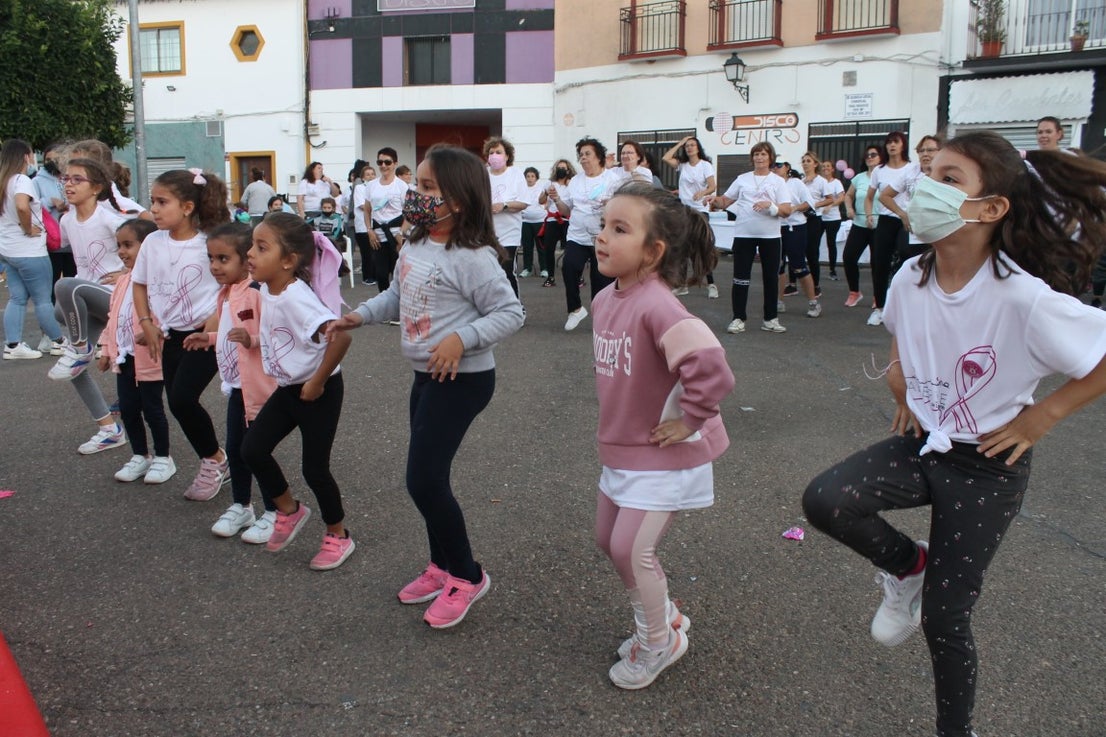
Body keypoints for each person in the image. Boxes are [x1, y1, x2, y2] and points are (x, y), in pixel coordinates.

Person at [802, 131, 1106, 737]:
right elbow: (900, 331)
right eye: (927, 172)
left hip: (987, 467)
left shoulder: (1024, 298)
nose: (924, 187)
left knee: (945, 621)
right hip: (927, 444)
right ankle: (907, 567)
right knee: (826, 499)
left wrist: (1041, 417)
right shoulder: (912, 273)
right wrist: (901, 383)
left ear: (990, 209)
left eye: (949, 178)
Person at [327, 144, 524, 626]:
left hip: (462, 381)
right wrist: (359, 314)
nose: (417, 194)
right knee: (429, 478)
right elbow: (397, 295)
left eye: (429, 188)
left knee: (423, 478)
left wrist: (462, 338)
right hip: (425, 376)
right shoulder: (414, 242)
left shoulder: (474, 256)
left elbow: (512, 312)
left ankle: (467, 574)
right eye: (417, 184)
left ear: (459, 198)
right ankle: (440, 566)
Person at [590, 182, 735, 689]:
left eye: (619, 229)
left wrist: (691, 419)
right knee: (608, 541)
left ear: (654, 252)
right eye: (603, 224)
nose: (603, 236)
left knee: (633, 549)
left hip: (666, 455)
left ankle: (658, 642)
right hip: (625, 450)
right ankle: (664, 614)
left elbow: (711, 369)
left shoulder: (659, 305)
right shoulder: (608, 297)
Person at [238, 213, 354, 569]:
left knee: (315, 469)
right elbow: (284, 337)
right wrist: (255, 340)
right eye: (251, 246)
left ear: (288, 261)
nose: (250, 254)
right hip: (289, 390)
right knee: (252, 449)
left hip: (320, 391)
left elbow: (341, 336)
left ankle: (338, 534)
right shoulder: (266, 291)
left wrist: (317, 381)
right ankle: (289, 510)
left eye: (261, 247)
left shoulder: (295, 297)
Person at [131, 168, 232, 501]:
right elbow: (140, 284)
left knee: (182, 398)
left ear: (187, 207)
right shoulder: (152, 242)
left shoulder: (211, 241)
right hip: (170, 336)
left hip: (205, 334)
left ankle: (215, 460)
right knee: (178, 404)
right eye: (152, 201)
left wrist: (217, 320)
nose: (154, 209)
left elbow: (235, 284)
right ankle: (216, 458)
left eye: (163, 202)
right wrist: (146, 321)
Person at [183, 222, 280, 543]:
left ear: (246, 259)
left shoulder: (255, 292)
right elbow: (229, 333)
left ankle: (274, 512)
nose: (214, 266)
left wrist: (251, 340)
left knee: (256, 452)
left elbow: (274, 336)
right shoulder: (227, 293)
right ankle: (242, 505)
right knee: (237, 450)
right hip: (237, 386)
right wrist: (209, 337)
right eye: (211, 258)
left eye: (223, 259)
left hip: (259, 389)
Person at [49, 158, 139, 454]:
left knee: (64, 286)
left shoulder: (108, 219)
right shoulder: (66, 221)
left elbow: (146, 232)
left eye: (77, 179)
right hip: (87, 294)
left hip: (114, 296)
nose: (69, 184)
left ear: (97, 188)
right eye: (66, 179)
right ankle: (109, 429)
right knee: (69, 356)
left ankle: (80, 348)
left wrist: (127, 271)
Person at [98, 218, 176, 484]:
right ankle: (140, 455)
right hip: (124, 357)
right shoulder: (122, 282)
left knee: (152, 408)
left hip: (150, 357)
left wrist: (158, 332)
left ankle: (164, 457)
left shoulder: (159, 280)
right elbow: (113, 317)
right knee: (129, 408)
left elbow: (171, 316)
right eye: (119, 245)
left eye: (128, 245)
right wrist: (106, 350)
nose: (121, 251)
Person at [706, 141, 791, 334]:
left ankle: (770, 319)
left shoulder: (777, 181)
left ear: (771, 158)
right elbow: (726, 200)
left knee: (770, 278)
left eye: (763, 154)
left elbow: (786, 210)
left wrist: (771, 206)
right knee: (740, 278)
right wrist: (715, 200)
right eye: (756, 154)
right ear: (752, 157)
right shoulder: (742, 179)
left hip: (770, 236)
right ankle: (738, 318)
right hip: (744, 234)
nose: (759, 158)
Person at [0, 139, 66, 360]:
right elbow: (21, 205)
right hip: (30, 250)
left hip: (8, 249)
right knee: (42, 300)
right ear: (25, 156)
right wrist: (27, 228)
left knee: (17, 298)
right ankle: (59, 341)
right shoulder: (21, 181)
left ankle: (12, 344)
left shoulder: (3, 181)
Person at [548, 137, 619, 331]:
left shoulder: (612, 179)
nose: (584, 158)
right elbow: (566, 211)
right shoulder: (576, 181)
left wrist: (610, 205)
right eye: (581, 155)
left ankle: (603, 318)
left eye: (588, 154)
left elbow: (622, 206)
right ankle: (576, 309)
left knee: (601, 280)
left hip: (602, 236)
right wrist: (556, 200)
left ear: (599, 157)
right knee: (569, 268)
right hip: (577, 235)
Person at [864, 131, 915, 327]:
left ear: (903, 145)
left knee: (905, 257)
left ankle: (903, 306)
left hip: (906, 221)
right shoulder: (879, 170)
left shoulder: (912, 169)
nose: (892, 146)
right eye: (889, 143)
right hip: (885, 219)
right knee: (880, 263)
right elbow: (870, 197)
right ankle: (880, 308)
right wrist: (869, 215)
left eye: (896, 142)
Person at [662, 135, 719, 299]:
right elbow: (666, 157)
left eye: (692, 145)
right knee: (682, 247)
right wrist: (679, 142)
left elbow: (712, 186)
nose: (689, 148)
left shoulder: (705, 165)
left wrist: (703, 192)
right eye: (687, 146)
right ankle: (681, 284)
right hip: (684, 210)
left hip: (700, 210)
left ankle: (711, 284)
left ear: (698, 148)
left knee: (702, 248)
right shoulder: (682, 165)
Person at [879, 135, 943, 270]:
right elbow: (885, 196)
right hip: (915, 235)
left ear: (940, 151)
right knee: (913, 272)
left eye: (930, 150)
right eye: (921, 150)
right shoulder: (911, 172)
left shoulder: (947, 174)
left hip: (939, 236)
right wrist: (902, 214)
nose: (925, 154)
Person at [775, 162, 822, 319]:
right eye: (773, 165)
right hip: (776, 228)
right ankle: (779, 301)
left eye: (779, 165)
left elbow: (809, 203)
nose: (776, 168)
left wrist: (793, 208)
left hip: (795, 227)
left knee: (798, 265)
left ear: (787, 167)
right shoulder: (771, 183)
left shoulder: (796, 183)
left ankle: (813, 302)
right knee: (778, 266)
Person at [484, 136, 527, 298]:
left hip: (509, 233)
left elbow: (523, 203)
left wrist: (505, 205)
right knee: (488, 274)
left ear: (507, 156)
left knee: (507, 271)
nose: (494, 155)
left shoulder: (515, 174)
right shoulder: (483, 174)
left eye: (499, 152)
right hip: (487, 233)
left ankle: (516, 308)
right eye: (491, 152)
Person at [35, 142, 76, 311]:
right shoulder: (37, 181)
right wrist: (49, 202)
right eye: (48, 159)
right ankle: (52, 320)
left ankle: (73, 314)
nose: (52, 162)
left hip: (73, 240)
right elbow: (31, 206)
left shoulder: (71, 177)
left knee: (73, 281)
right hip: (51, 241)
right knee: (50, 284)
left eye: (56, 158)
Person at [842, 144, 885, 308]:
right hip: (859, 224)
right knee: (849, 257)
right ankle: (854, 292)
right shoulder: (859, 178)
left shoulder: (885, 177)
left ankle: (878, 296)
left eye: (873, 154)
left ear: (881, 157)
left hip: (880, 226)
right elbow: (848, 196)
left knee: (878, 262)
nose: (869, 157)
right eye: (867, 155)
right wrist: (849, 208)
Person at [364, 148, 409, 293]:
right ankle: (385, 304)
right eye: (380, 162)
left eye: (387, 162)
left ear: (395, 163)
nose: (383, 165)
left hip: (396, 235)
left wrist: (402, 233)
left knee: (398, 274)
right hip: (378, 236)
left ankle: (400, 305)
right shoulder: (372, 185)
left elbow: (408, 213)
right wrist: (369, 230)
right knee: (381, 274)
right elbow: (367, 209)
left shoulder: (401, 186)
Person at [536, 159, 575, 288]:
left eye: (563, 168)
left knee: (571, 250)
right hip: (553, 220)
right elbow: (541, 201)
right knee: (549, 249)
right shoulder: (549, 183)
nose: (561, 170)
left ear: (568, 170)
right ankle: (550, 277)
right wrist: (546, 192)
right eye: (559, 168)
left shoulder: (573, 183)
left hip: (567, 220)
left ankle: (576, 276)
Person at [800, 151, 829, 294]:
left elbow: (830, 199)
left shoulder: (821, 181)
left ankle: (816, 285)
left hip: (814, 219)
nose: (805, 163)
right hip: (801, 218)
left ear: (815, 164)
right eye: (804, 161)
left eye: (808, 161)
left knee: (812, 253)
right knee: (799, 250)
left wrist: (815, 204)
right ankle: (795, 284)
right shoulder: (800, 181)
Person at [817, 160, 846, 280]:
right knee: (814, 243)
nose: (825, 168)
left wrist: (830, 205)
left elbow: (842, 198)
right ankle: (814, 269)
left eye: (828, 166)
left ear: (833, 169)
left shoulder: (836, 183)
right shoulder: (819, 181)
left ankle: (832, 270)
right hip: (819, 217)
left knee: (831, 243)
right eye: (823, 166)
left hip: (833, 218)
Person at [518, 166, 547, 279]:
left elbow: (544, 202)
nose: (530, 179)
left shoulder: (541, 189)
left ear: (536, 178)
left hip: (539, 221)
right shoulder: (521, 189)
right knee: (527, 246)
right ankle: (527, 268)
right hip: (525, 221)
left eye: (532, 176)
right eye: (528, 176)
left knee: (541, 246)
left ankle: (544, 269)